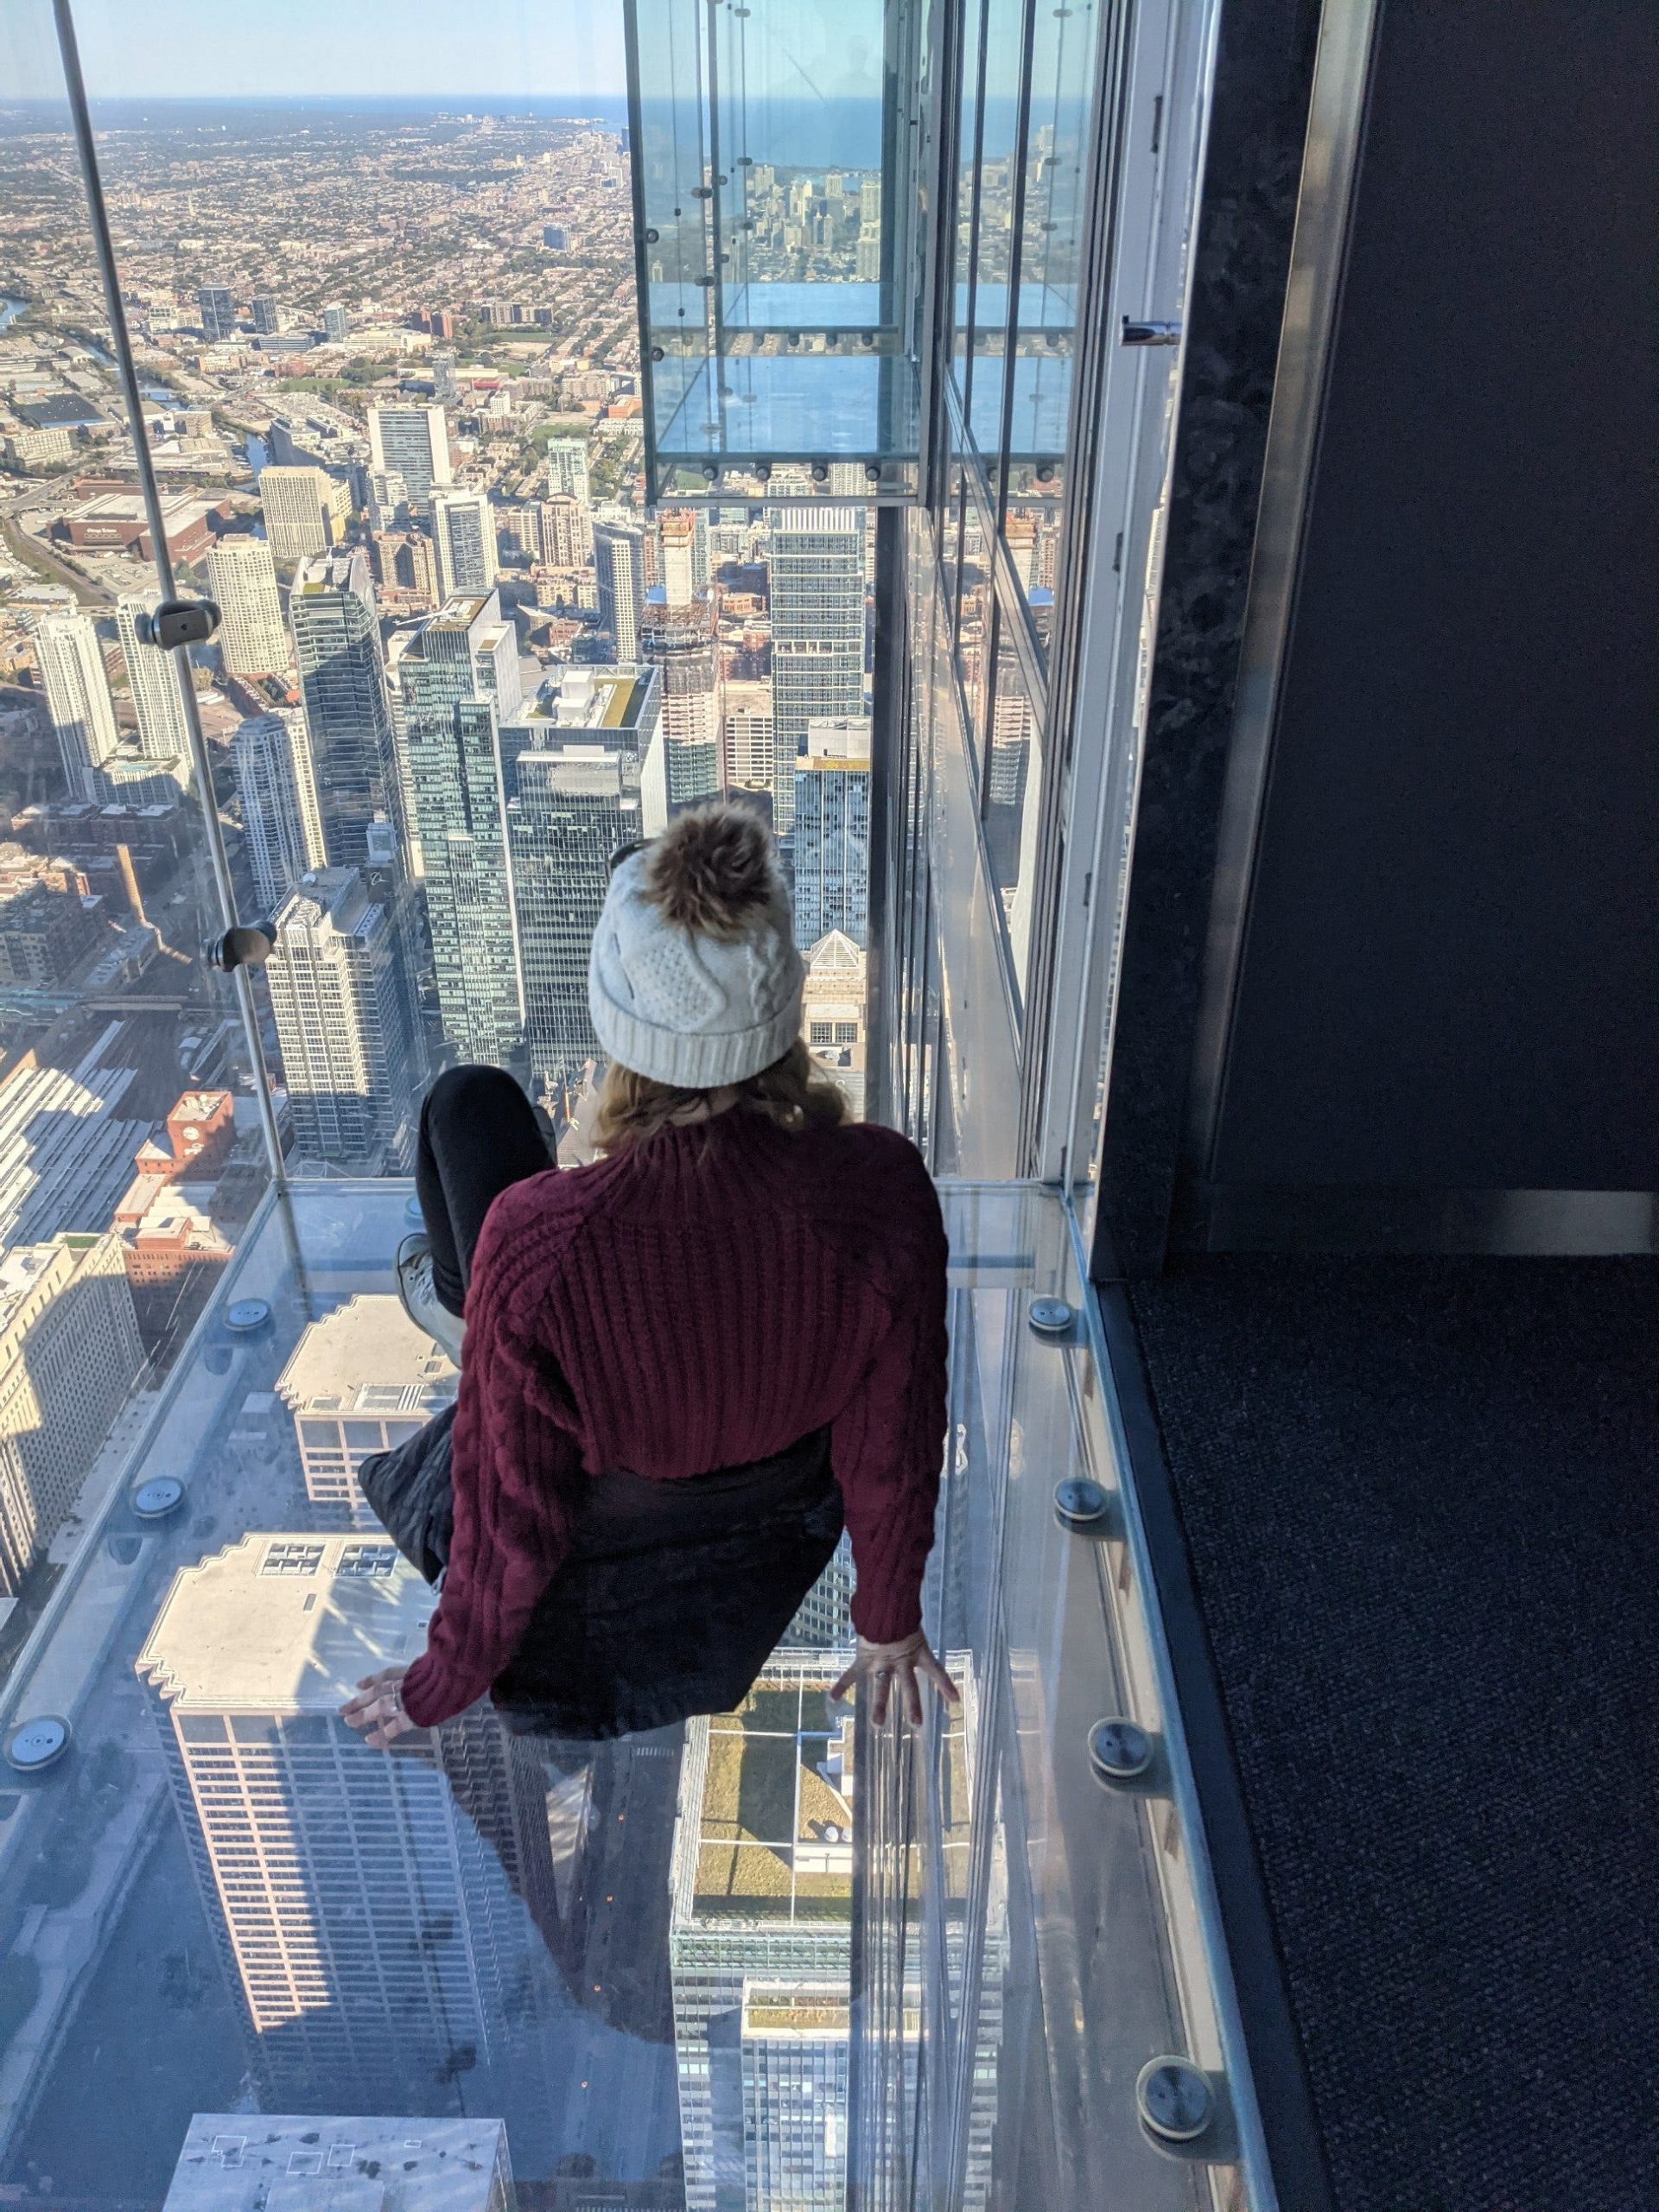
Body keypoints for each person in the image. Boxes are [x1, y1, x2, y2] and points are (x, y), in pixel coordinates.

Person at [342, 802, 957, 1751]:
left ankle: (482, 1338)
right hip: (774, 1491)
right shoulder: (881, 1190)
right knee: (498, 1174)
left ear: (621, 1032)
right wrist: (888, 1620)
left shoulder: (538, 1241)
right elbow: (897, 1438)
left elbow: (509, 1511)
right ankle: (497, 1345)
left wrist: (442, 1680)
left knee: (469, 1104)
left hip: (612, 1481)